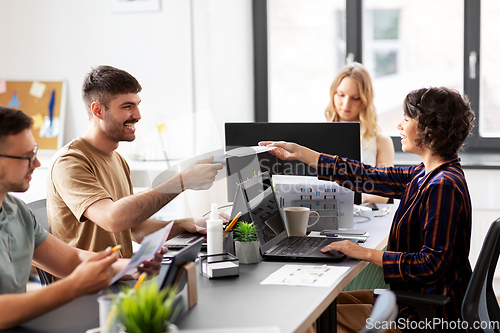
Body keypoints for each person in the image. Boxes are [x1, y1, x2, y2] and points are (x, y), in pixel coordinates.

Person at [261, 86, 475, 332]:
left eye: (406, 120)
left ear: (430, 131)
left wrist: (363, 253)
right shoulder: (425, 174)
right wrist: (303, 154)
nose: (399, 126)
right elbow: (367, 175)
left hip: (426, 316)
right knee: (318, 306)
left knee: (310, 321)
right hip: (411, 300)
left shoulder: (442, 186)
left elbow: (431, 265)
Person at [0, 106, 162, 329]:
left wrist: (131, 266)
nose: (37, 164)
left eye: (35, 153)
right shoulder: (70, 160)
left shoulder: (16, 211)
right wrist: (74, 286)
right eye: (27, 157)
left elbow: (72, 260)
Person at [47, 65, 223, 258]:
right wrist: (180, 182)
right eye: (127, 106)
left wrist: (183, 225)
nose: (138, 115)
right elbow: (112, 219)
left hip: (123, 275)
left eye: (137, 105)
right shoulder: (70, 161)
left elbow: (135, 229)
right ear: (98, 110)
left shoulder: (117, 160)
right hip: (92, 285)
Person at [325, 62, 394, 203]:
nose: (345, 104)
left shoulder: (381, 141)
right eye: (341, 95)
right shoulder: (320, 134)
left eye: (355, 98)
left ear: (365, 100)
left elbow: (384, 194)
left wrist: (350, 198)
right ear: (333, 93)